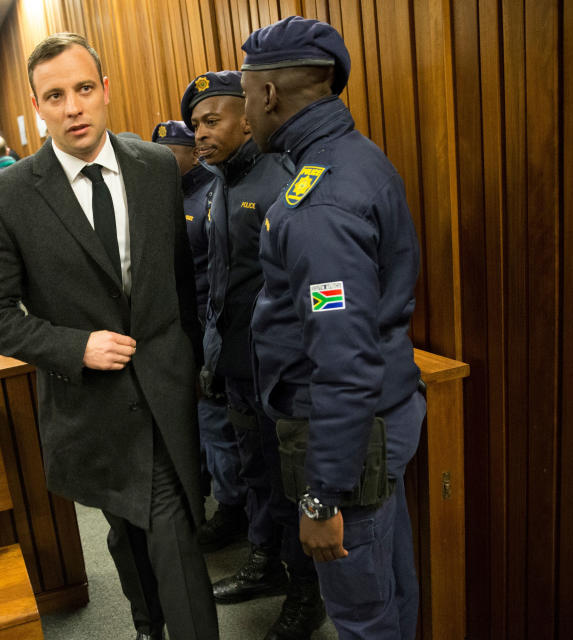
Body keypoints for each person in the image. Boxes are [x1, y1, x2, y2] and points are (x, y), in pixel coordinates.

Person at [0, 33, 218, 640]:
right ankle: (146, 624)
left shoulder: (156, 167)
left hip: (164, 390)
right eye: (55, 96)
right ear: (37, 107)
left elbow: (180, 285)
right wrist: (74, 347)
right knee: (128, 525)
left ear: (104, 90)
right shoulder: (6, 195)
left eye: (83, 89)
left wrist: (193, 372)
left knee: (172, 527)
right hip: (90, 403)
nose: (73, 107)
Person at [241, 17, 426, 640]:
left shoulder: (317, 202)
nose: (244, 113)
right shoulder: (353, 155)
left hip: (346, 440)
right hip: (375, 423)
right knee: (391, 590)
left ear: (268, 95)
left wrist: (322, 497)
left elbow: (343, 361)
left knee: (361, 614)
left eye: (245, 94)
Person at [182, 69, 325, 638]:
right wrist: (214, 363)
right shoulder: (219, 182)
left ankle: (305, 592)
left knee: (291, 486)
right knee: (257, 476)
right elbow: (220, 285)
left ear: (247, 118)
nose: (200, 133)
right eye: (195, 124)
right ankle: (265, 562)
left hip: (278, 373)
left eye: (212, 120)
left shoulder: (281, 181)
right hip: (237, 367)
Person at [152, 119, 250, 552]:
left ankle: (233, 513)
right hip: (177, 336)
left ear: (191, 153)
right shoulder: (162, 198)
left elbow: (216, 276)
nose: (159, 163)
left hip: (210, 333)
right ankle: (208, 501)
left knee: (217, 431)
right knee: (194, 429)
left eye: (168, 153)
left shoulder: (210, 194)